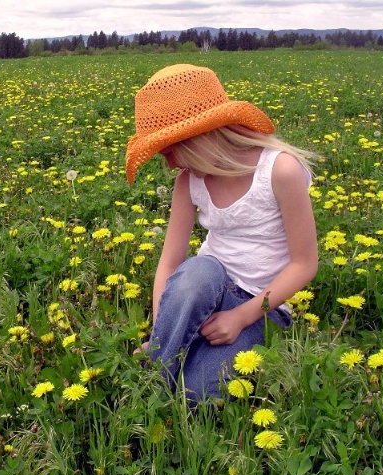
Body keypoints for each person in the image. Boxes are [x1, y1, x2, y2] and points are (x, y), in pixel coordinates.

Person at [125, 64, 318, 401]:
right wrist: (164, 325)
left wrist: (242, 316)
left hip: (263, 307)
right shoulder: (188, 181)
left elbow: (304, 264)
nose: (169, 164)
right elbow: (170, 264)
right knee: (199, 272)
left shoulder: (280, 170)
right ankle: (162, 361)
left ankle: (164, 363)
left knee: (197, 395)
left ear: (198, 137)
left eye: (169, 150)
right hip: (204, 287)